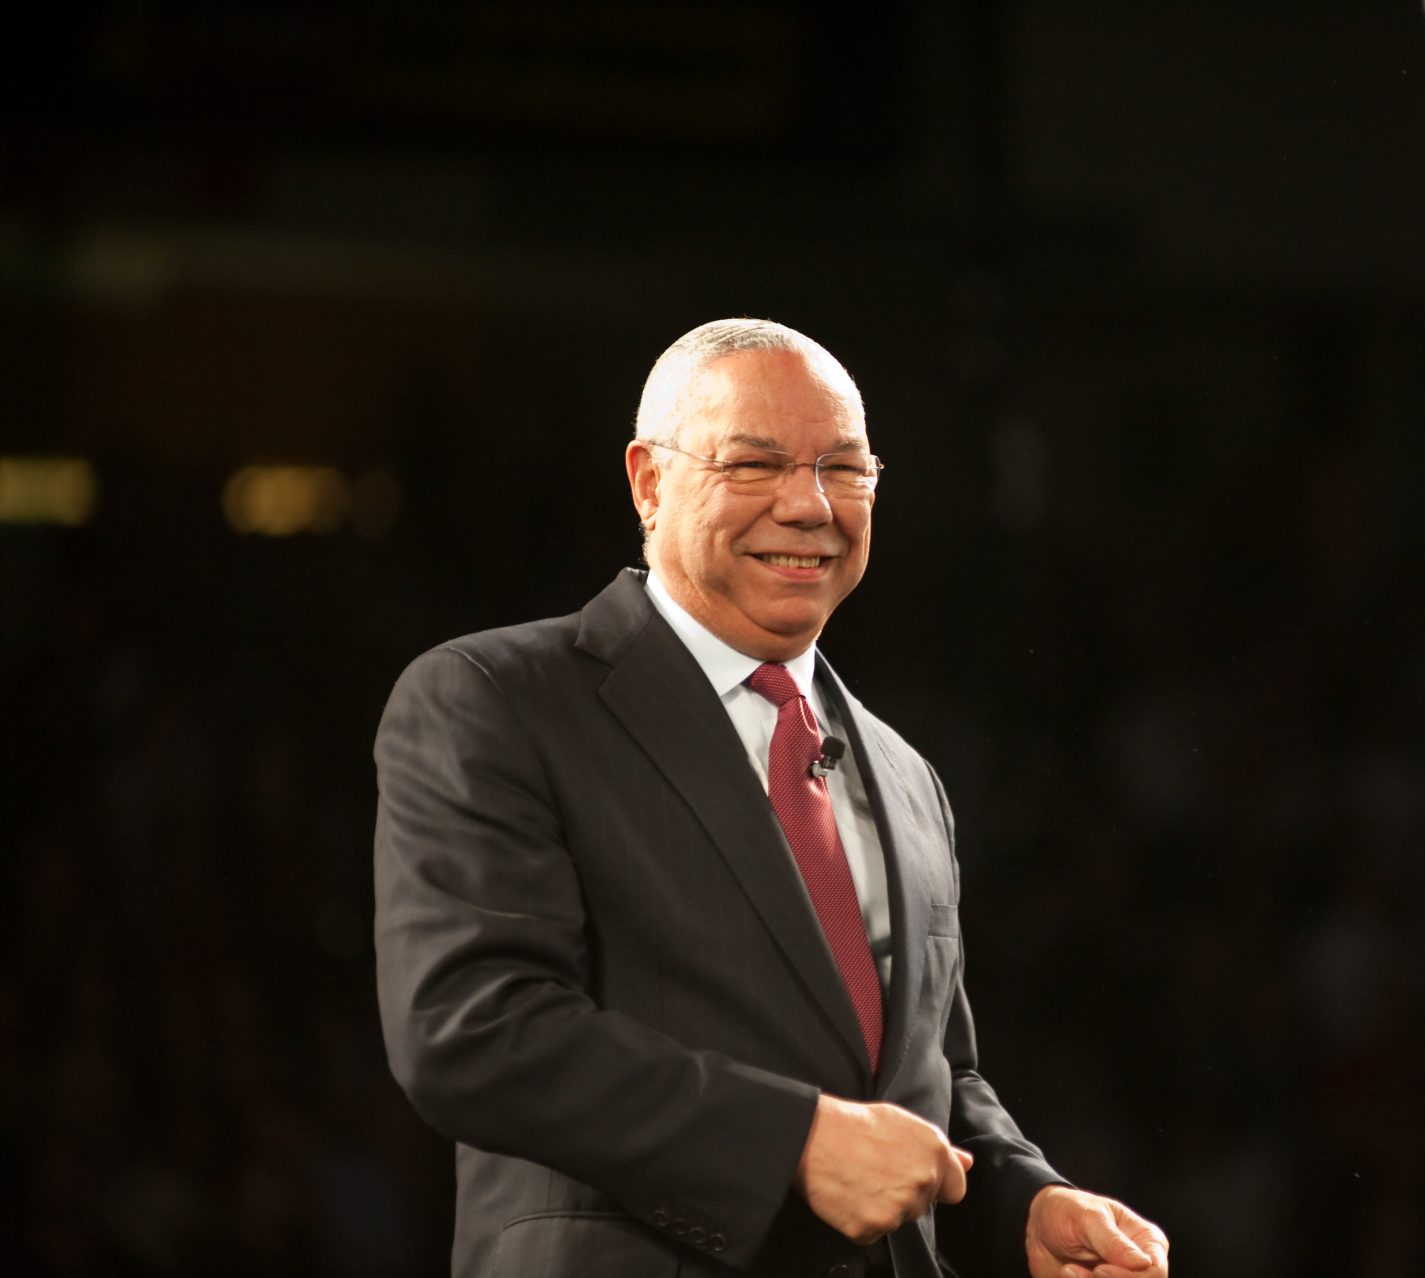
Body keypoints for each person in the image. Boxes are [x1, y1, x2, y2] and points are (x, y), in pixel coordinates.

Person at [372, 319, 1170, 1278]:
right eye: (755, 465)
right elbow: (472, 1027)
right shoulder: (499, 700)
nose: (810, 504)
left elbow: (927, 1080)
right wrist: (790, 1141)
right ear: (648, 482)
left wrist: (1019, 1203)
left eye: (846, 466)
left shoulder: (907, 774)